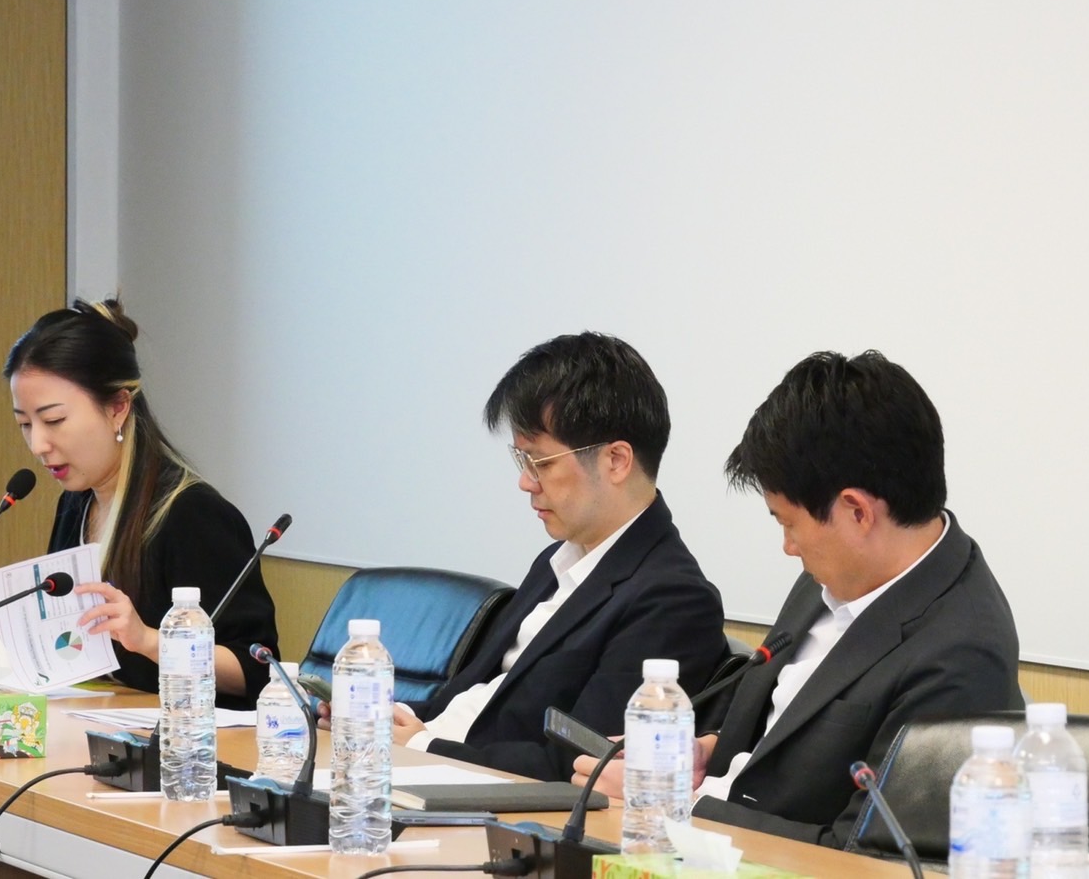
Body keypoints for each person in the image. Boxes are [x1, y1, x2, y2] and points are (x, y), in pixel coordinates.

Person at [573, 349, 1024, 849]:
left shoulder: (960, 654)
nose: (787, 547)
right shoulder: (839, 569)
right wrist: (705, 752)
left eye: (788, 523)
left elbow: (864, 853)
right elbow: (790, 726)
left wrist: (674, 806)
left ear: (857, 512)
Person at [388, 332, 727, 781]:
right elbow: (471, 700)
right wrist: (386, 716)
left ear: (616, 460)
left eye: (541, 463)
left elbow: (580, 762)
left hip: (486, 797)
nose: (525, 482)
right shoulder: (556, 560)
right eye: (522, 461)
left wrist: (423, 747)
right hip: (429, 766)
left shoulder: (672, 599)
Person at [5, 297, 279, 708]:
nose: (38, 445)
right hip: (95, 722)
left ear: (118, 407)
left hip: (187, 738)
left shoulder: (192, 515)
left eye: (54, 420)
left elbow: (257, 671)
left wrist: (149, 640)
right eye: (25, 424)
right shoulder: (76, 505)